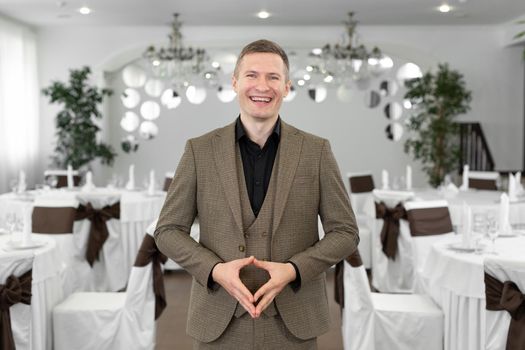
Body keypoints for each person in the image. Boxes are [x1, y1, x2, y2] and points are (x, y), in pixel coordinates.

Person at [154, 39, 359, 349]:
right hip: (218, 320)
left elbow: (345, 232)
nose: (262, 85)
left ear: (287, 86)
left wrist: (293, 270)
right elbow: (168, 231)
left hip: (295, 321)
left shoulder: (317, 151)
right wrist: (215, 270)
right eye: (251, 75)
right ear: (235, 82)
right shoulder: (199, 150)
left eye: (273, 77)